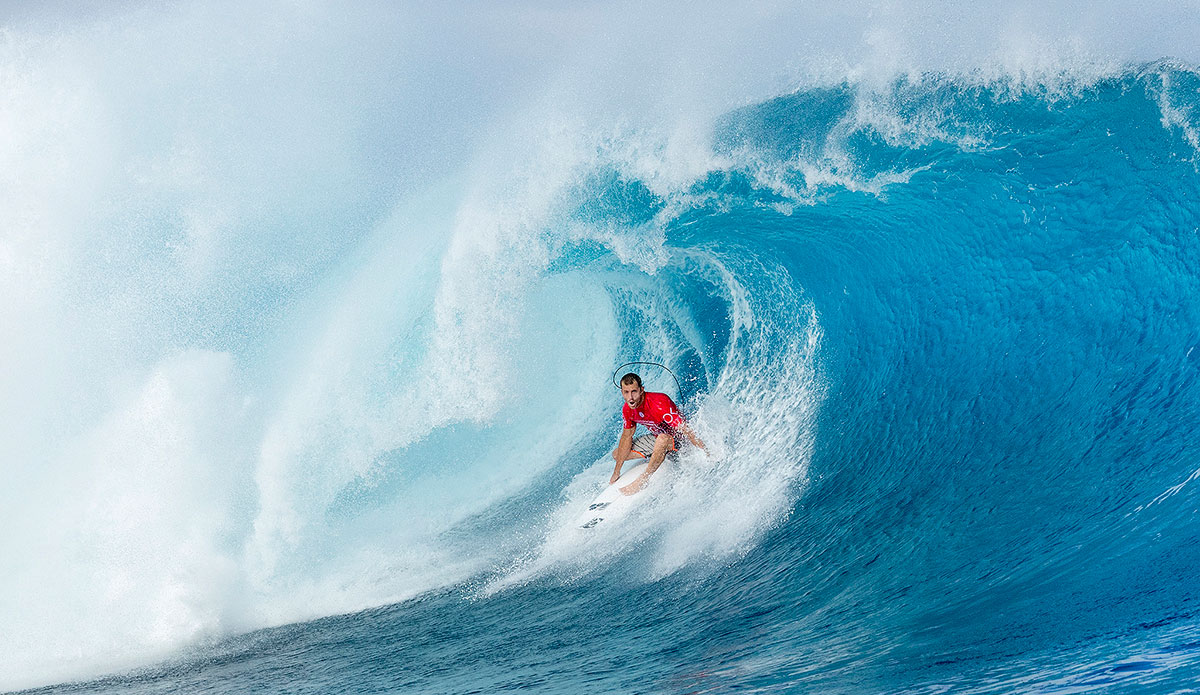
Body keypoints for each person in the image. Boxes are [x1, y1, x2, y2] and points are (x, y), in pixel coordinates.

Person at [610, 372, 706, 495]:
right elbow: (626, 436)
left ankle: (643, 479)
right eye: (626, 392)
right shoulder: (627, 409)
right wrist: (616, 472)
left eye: (634, 391)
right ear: (622, 392)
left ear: (641, 390)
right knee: (617, 454)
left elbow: (685, 429)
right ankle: (658, 454)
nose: (630, 398)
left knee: (662, 439)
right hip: (658, 439)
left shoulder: (659, 403)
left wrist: (706, 452)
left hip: (678, 441)